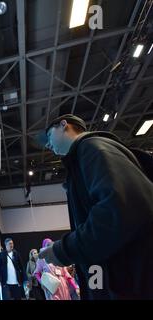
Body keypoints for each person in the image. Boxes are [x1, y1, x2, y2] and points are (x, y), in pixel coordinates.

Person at [37, 114, 153, 299]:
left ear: (63, 124)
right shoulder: (84, 157)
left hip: (130, 284)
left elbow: (119, 211)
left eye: (49, 135)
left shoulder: (92, 148)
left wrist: (64, 250)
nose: (47, 144)